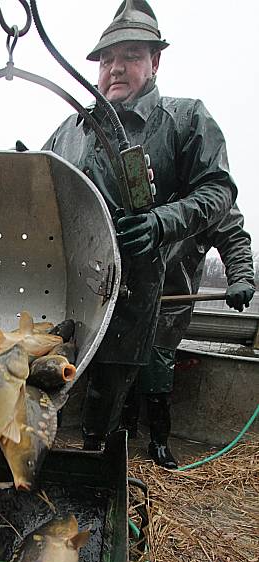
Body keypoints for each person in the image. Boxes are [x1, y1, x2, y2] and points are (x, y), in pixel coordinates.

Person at [43, 0, 237, 450]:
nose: (115, 68)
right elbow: (45, 199)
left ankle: (99, 464)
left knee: (107, 404)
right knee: (44, 383)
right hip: (64, 290)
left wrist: (161, 222)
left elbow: (219, 192)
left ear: (155, 61)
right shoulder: (71, 129)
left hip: (133, 295)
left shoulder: (186, 120)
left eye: (130, 55)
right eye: (107, 59)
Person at [122, 204, 255, 467]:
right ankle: (123, 429)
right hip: (127, 293)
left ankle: (159, 441)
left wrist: (241, 277)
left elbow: (232, 234)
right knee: (120, 358)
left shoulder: (207, 188)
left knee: (158, 363)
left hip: (172, 298)